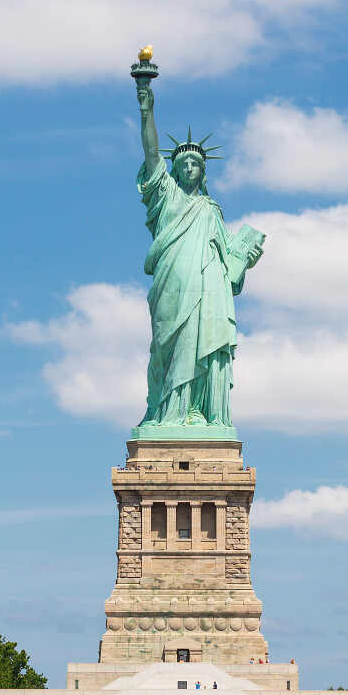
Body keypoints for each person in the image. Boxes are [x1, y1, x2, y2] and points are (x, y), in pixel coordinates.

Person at [133, 73, 263, 429]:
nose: (189, 168)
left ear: (202, 171)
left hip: (209, 288)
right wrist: (146, 107)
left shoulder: (211, 210)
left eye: (195, 165)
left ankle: (197, 411)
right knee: (168, 345)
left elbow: (228, 265)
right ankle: (165, 411)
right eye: (183, 164)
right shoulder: (166, 197)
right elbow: (149, 151)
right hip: (173, 283)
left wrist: (243, 261)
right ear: (173, 170)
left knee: (203, 342)